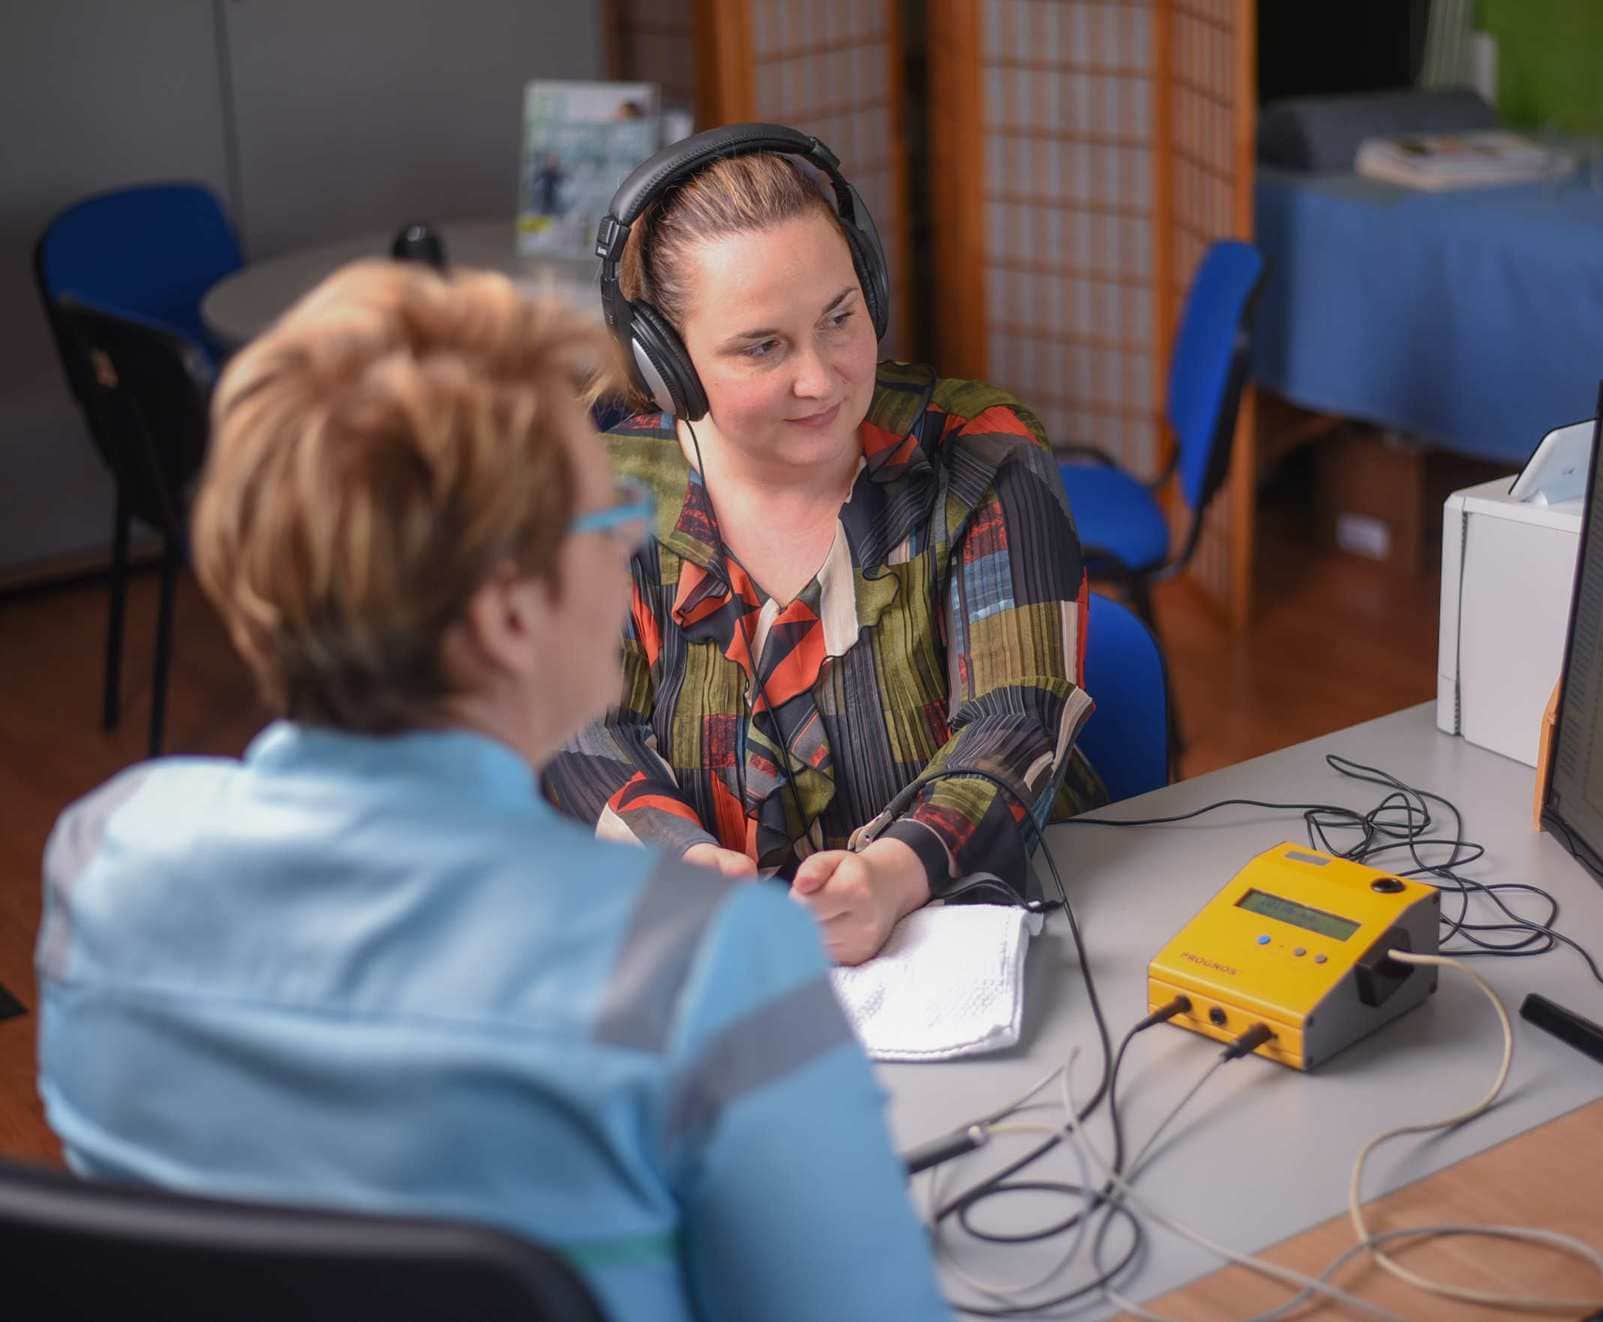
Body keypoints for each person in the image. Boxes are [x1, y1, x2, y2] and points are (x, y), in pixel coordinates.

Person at [36, 262, 950, 1322]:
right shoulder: (704, 965)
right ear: (510, 614)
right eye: (608, 509)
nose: (635, 542)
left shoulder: (102, 857)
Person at [546, 126, 1105, 965]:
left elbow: (1016, 721)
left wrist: (889, 876)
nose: (822, 378)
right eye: (762, 347)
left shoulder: (982, 454)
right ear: (668, 363)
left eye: (839, 318)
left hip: (966, 936)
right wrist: (680, 862)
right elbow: (579, 728)